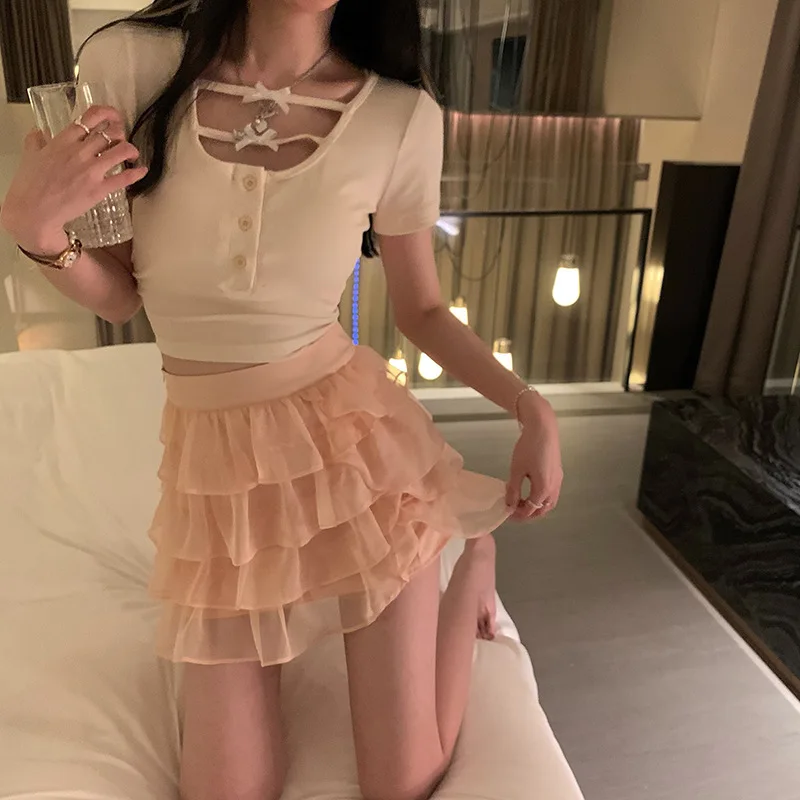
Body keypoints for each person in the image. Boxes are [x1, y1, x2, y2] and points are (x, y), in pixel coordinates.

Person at [0, 2, 563, 799]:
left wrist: (531, 407)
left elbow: (424, 310)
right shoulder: (129, 65)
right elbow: (123, 294)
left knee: (402, 785)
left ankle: (471, 566)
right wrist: (36, 234)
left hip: (360, 457)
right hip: (215, 478)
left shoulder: (399, 116)